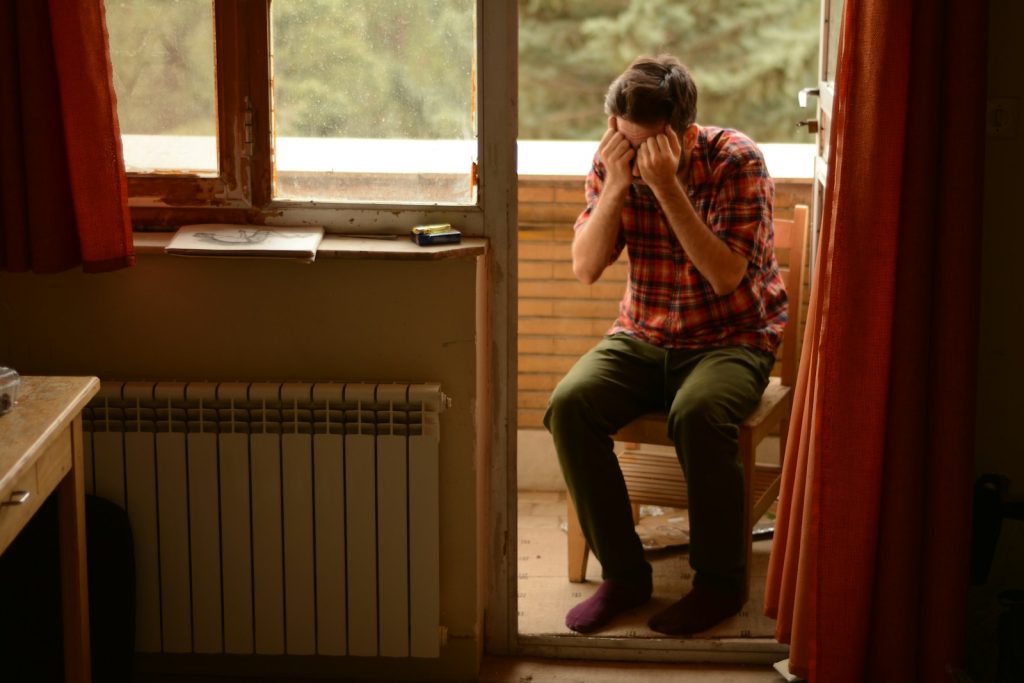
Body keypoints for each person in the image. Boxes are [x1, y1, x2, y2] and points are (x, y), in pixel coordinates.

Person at [544, 54, 787, 636]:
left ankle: (719, 586)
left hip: (732, 337)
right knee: (569, 406)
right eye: (622, 140)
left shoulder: (737, 160)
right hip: (642, 333)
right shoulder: (615, 161)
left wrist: (666, 187)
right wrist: (617, 183)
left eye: (646, 146)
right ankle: (624, 576)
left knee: (697, 413)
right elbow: (585, 267)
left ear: (685, 135)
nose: (631, 155)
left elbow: (725, 276)